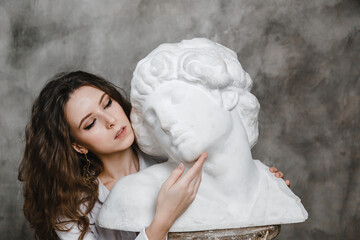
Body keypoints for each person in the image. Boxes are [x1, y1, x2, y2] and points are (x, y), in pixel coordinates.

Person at [18, 71, 288, 240]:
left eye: (108, 103)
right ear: (79, 146)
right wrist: (162, 222)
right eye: (90, 123)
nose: (111, 120)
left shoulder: (173, 155)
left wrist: (259, 185)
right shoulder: (69, 207)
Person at [99, 38, 306, 231]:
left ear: (227, 95)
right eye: (152, 118)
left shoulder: (273, 187)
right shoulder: (134, 196)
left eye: (176, 99)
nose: (164, 123)